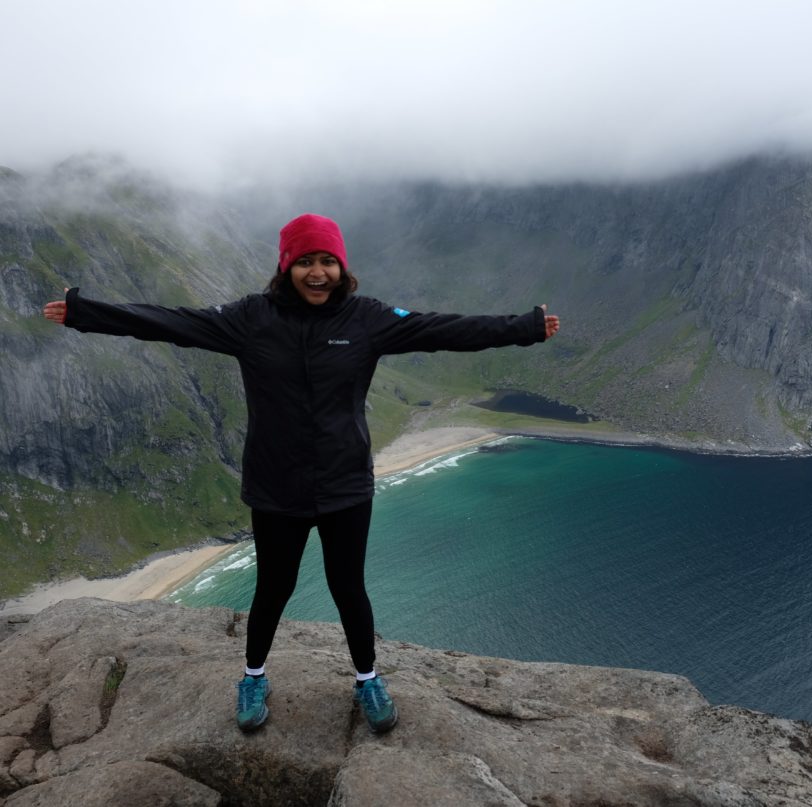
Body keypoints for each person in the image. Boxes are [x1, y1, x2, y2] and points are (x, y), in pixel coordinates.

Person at [42, 212, 560, 734]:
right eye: (306, 262)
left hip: (345, 484)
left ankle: (368, 679)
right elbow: (171, 322)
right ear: (286, 266)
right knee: (274, 586)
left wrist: (527, 328)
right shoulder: (251, 319)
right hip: (276, 485)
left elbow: (447, 329)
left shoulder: (367, 319)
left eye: (328, 262)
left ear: (342, 267)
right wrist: (86, 312)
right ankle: (252, 676)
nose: (318, 273)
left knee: (347, 587)